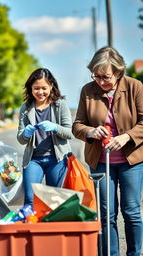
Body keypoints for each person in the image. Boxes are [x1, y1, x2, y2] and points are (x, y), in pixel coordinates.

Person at [73, 46, 143, 256]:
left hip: (132, 161)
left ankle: (134, 253)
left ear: (119, 71)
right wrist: (92, 131)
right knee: (106, 214)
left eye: (105, 76)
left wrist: (127, 136)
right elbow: (77, 125)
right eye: (96, 76)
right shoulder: (87, 90)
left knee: (131, 212)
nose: (100, 81)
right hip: (102, 162)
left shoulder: (135, 87)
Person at [17, 68, 73, 209]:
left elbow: (70, 133)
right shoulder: (26, 108)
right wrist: (26, 133)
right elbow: (21, 139)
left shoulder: (60, 105)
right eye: (36, 88)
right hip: (34, 160)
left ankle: (53, 230)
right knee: (30, 200)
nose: (40, 92)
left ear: (51, 86)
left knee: (55, 202)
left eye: (44, 88)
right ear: (31, 88)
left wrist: (55, 127)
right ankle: (31, 230)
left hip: (57, 159)